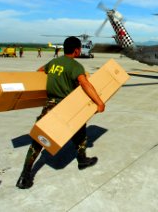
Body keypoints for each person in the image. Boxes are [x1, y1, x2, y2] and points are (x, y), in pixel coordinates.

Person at [16, 36, 105, 189]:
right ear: (77, 50)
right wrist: (99, 102)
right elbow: (85, 84)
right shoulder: (75, 66)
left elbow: (40, 71)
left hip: (50, 105)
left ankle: (25, 175)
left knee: (39, 140)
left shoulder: (54, 62)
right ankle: (82, 159)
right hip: (67, 106)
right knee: (81, 132)